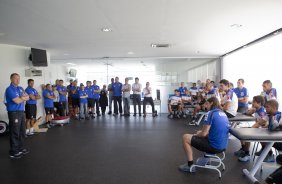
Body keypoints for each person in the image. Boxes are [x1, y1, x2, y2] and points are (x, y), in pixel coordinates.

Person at [179, 97, 230, 172]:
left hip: (214, 146)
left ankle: (190, 166)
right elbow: (215, 131)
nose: (205, 106)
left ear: (211, 103)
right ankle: (207, 158)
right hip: (223, 145)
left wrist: (197, 134)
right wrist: (201, 133)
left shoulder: (210, 113)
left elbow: (203, 134)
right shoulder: (223, 113)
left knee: (185, 137)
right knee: (201, 133)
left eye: (207, 104)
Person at [234, 96, 268, 162]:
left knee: (247, 134)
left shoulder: (262, 111)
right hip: (258, 128)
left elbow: (263, 123)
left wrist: (251, 129)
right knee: (242, 130)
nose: (252, 103)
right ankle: (243, 149)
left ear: (259, 103)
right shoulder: (256, 109)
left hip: (263, 130)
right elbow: (246, 113)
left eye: (254, 102)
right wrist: (251, 110)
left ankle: (247, 154)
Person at [5, 73, 29, 158]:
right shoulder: (9, 89)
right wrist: (22, 98)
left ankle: (20, 148)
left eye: (19, 78)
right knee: (15, 132)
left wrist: (21, 98)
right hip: (14, 113)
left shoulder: (21, 88)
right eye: (16, 79)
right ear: (11, 79)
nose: (18, 80)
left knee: (22, 131)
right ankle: (13, 151)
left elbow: (28, 97)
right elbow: (17, 101)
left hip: (21, 112)